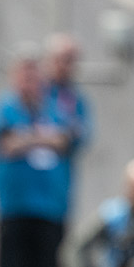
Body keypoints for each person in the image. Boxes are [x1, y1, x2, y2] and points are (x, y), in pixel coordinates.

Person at [0, 42, 72, 267]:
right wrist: (43, 138)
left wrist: (27, 138)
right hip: (14, 207)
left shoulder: (56, 108)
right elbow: (7, 145)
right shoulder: (5, 108)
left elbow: (66, 140)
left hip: (50, 207)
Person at [43, 32, 92, 227]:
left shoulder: (75, 100)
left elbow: (77, 136)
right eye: (63, 60)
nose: (67, 67)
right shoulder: (33, 92)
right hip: (20, 199)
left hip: (56, 195)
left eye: (72, 61)